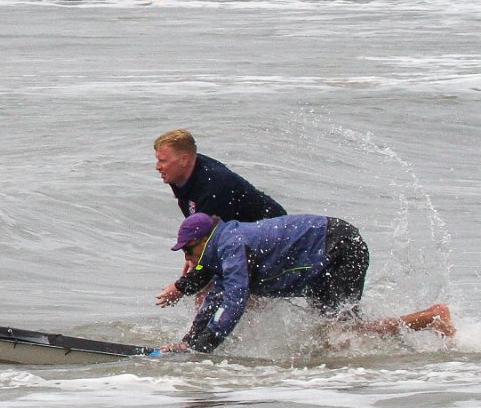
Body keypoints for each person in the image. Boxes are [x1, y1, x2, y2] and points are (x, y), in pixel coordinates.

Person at [158, 211, 453, 354]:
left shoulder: (231, 245)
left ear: (203, 240)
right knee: (336, 334)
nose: (189, 258)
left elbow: (234, 303)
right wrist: (188, 342)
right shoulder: (223, 250)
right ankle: (414, 336)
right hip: (325, 256)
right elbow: (215, 301)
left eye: (189, 250)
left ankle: (432, 317)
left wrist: (204, 346)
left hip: (340, 247)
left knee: (341, 332)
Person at [154, 128, 285, 224]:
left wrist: (194, 256)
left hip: (273, 228)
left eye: (163, 161)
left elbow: (214, 243)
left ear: (184, 160)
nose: (157, 167)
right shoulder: (180, 174)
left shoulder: (213, 187)